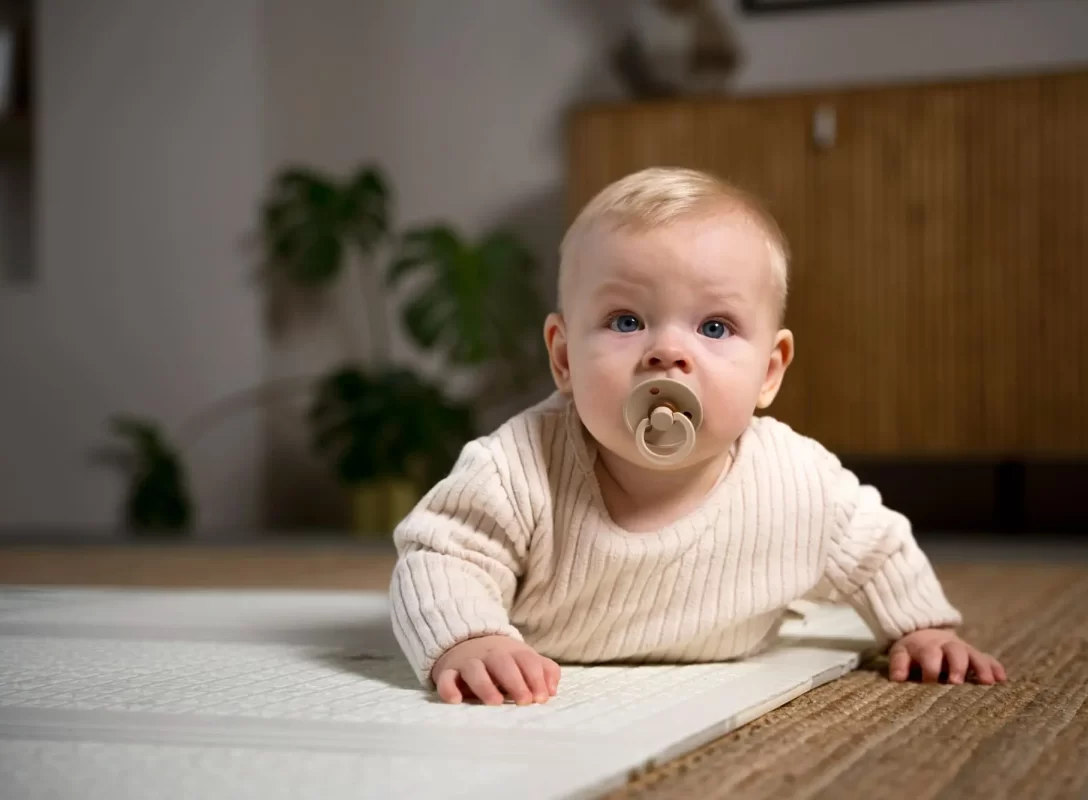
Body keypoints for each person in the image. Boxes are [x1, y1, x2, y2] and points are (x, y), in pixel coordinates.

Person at [389, 166, 1007, 705]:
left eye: (714, 326)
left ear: (769, 371)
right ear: (564, 358)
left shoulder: (797, 479)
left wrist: (922, 629)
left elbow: (878, 549)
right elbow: (440, 556)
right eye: (626, 321)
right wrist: (471, 637)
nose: (667, 353)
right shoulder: (516, 466)